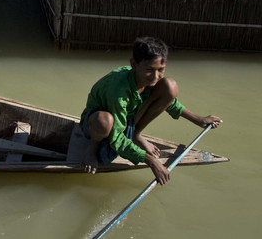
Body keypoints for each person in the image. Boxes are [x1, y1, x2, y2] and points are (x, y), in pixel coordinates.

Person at [76, 36, 222, 184]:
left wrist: (199, 119)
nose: (155, 76)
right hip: (98, 125)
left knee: (170, 86)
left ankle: (135, 134)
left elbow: (169, 101)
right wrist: (150, 161)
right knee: (104, 121)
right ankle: (93, 146)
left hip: (129, 119)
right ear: (134, 64)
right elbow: (115, 138)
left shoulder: (149, 80)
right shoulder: (118, 90)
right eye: (149, 70)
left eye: (161, 70)